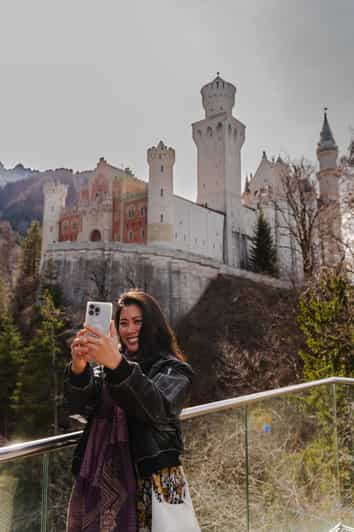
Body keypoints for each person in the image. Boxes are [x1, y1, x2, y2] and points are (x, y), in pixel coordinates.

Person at [64, 290, 200, 532]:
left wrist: (116, 364)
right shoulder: (108, 368)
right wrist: (79, 367)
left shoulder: (175, 369)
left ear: (154, 325)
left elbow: (157, 407)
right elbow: (77, 408)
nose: (130, 330)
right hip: (98, 477)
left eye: (138, 322)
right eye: (123, 323)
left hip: (151, 481)